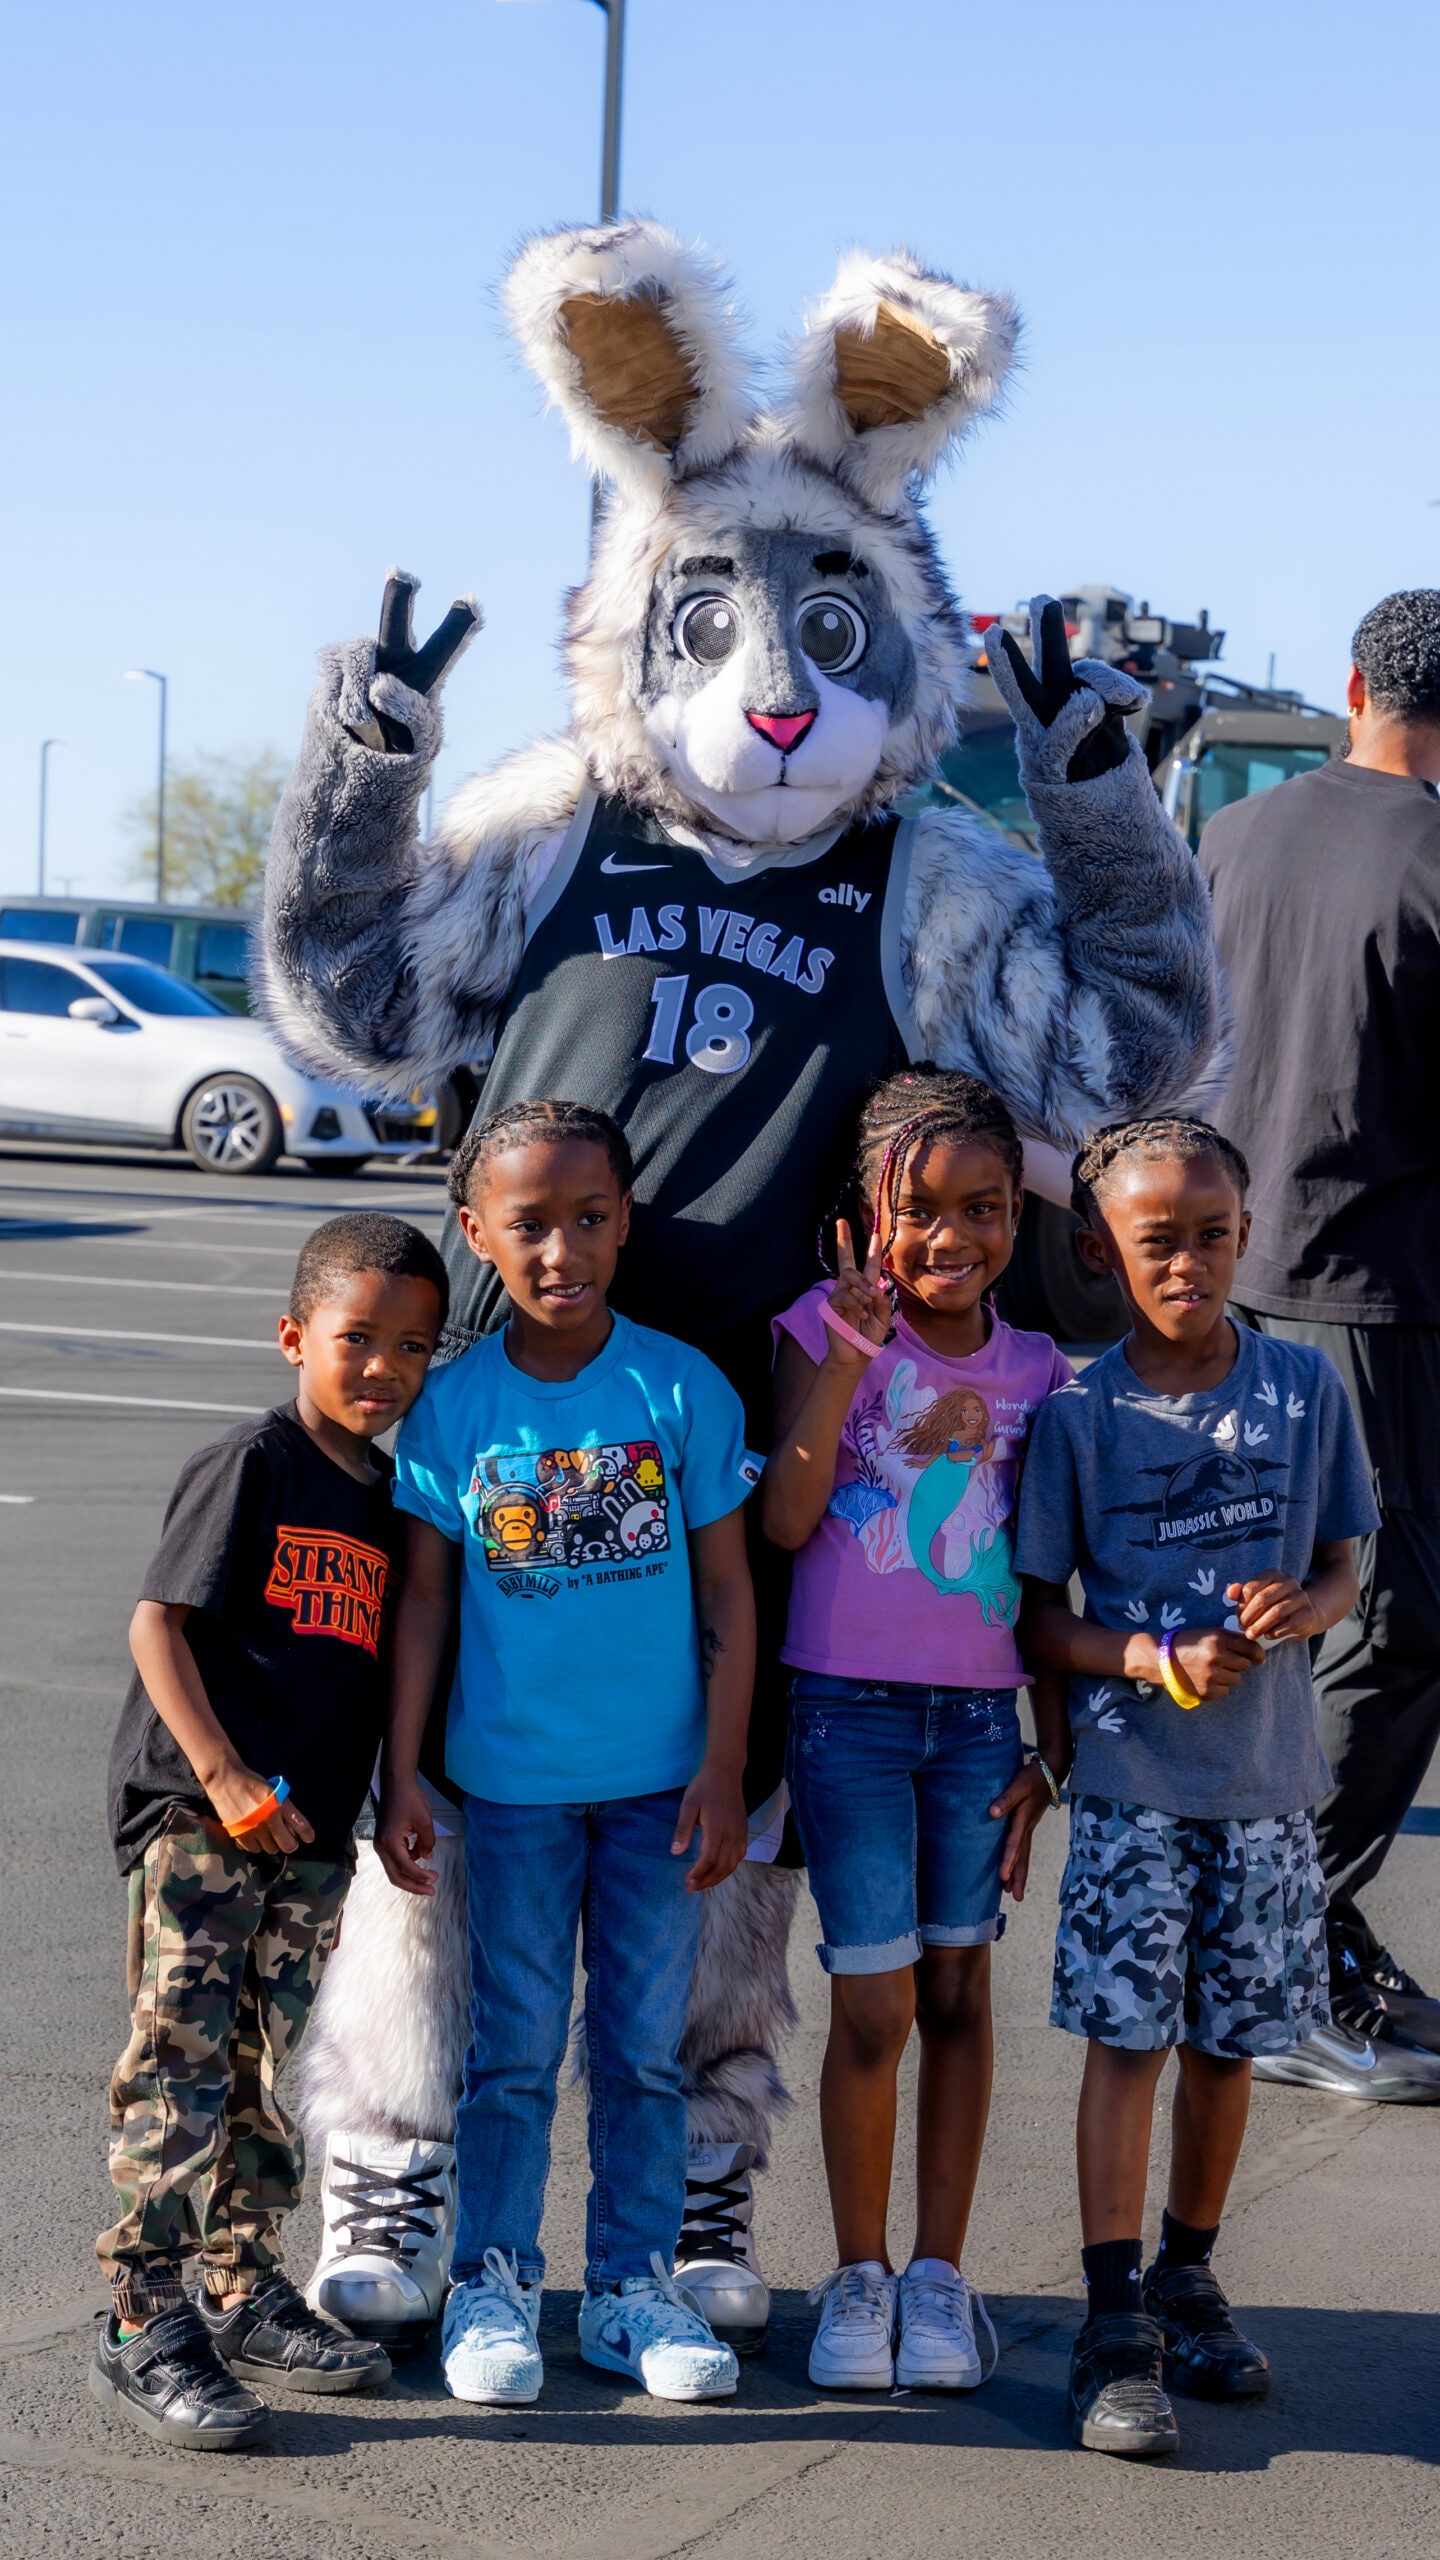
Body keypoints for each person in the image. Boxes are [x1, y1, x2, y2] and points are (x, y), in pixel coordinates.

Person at [262, 216, 1225, 2357]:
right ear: (634, 621)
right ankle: (401, 2169)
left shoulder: (929, 876)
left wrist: (1093, 811)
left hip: (768, 1465)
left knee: (725, 1851)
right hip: (517, 1425)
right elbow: (347, 999)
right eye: (714, 620)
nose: (775, 687)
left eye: (826, 626)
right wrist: (369, 763)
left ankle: (693, 2195)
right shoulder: (550, 828)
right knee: (456, 1823)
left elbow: (1129, 1055)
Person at [376, 1101, 757, 2407]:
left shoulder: (678, 1387)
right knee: (515, 2048)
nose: (561, 1251)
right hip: (515, 1792)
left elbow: (730, 1596)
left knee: (645, 2051)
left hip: (658, 1790)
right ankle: (491, 2280)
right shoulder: (453, 1408)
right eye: (528, 1226)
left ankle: (629, 2288)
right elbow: (422, 1599)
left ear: (625, 1221)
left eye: (588, 1219)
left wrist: (722, 1768)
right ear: (476, 1234)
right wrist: (401, 1767)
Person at [1016, 1118, 1377, 2458]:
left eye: (1212, 1237)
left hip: (1270, 1791)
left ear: (1242, 1238)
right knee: (1131, 2043)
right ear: (1101, 1251)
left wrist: (1302, 1609)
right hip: (1130, 1790)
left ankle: (1188, 2275)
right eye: (1156, 1240)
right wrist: (1151, 1656)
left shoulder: (1303, 1389)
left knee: (1232, 2044)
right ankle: (1113, 2325)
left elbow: (1346, 1563)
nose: (1188, 1263)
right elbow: (1037, 1621)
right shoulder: (1080, 1414)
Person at [92, 1213, 448, 2451]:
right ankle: (142, 2313)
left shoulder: (394, 1500)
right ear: (295, 1335)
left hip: (310, 1831)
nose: (383, 1370)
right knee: (182, 2062)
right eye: (358, 1339)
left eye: (413, 1347)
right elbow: (156, 1624)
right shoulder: (254, 1459)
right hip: (202, 1816)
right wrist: (223, 1770)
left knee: (267, 2068)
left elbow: (392, 1664)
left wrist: (396, 1791)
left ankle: (243, 2287)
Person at [764, 1067, 1070, 2392]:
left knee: (959, 1991)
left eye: (986, 1209)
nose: (954, 1238)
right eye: (922, 1210)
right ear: (865, 1213)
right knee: (874, 2001)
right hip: (848, 1717)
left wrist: (1051, 1752)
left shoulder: (1045, 1370)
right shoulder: (822, 1332)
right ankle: (858, 2274)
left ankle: (941, 2280)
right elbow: (784, 1522)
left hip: (980, 1730)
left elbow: (1053, 1582)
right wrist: (846, 1356)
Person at [1201, 589, 1440, 2095]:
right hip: (1375, 1296)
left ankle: (1295, 1938)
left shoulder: (1228, 839)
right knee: (1395, 1621)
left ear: (1352, 684)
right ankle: (1284, 1957)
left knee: (1278, 1614)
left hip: (1219, 1287)